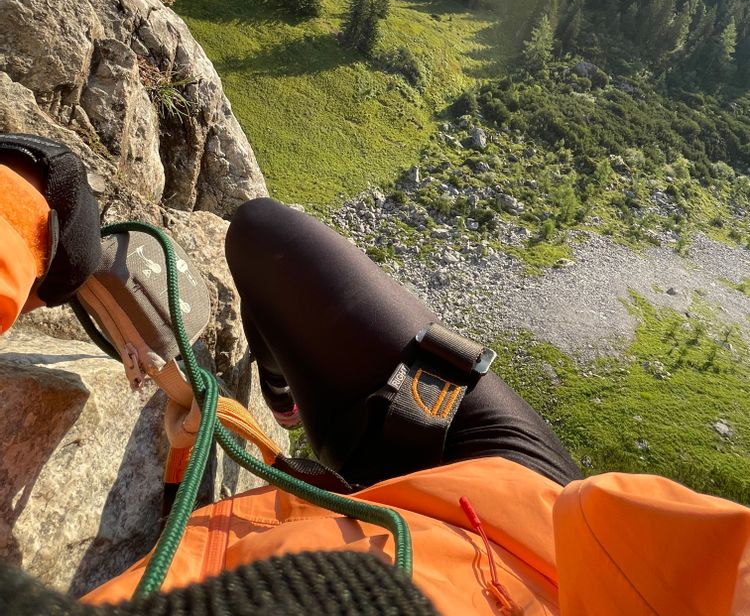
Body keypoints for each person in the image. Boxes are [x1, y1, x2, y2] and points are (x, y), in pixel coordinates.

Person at [0, 133, 748, 616]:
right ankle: (290, 400)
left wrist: (27, 206)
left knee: (267, 239)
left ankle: (304, 416)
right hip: (534, 531)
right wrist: (22, 207)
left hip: (490, 534)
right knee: (265, 234)